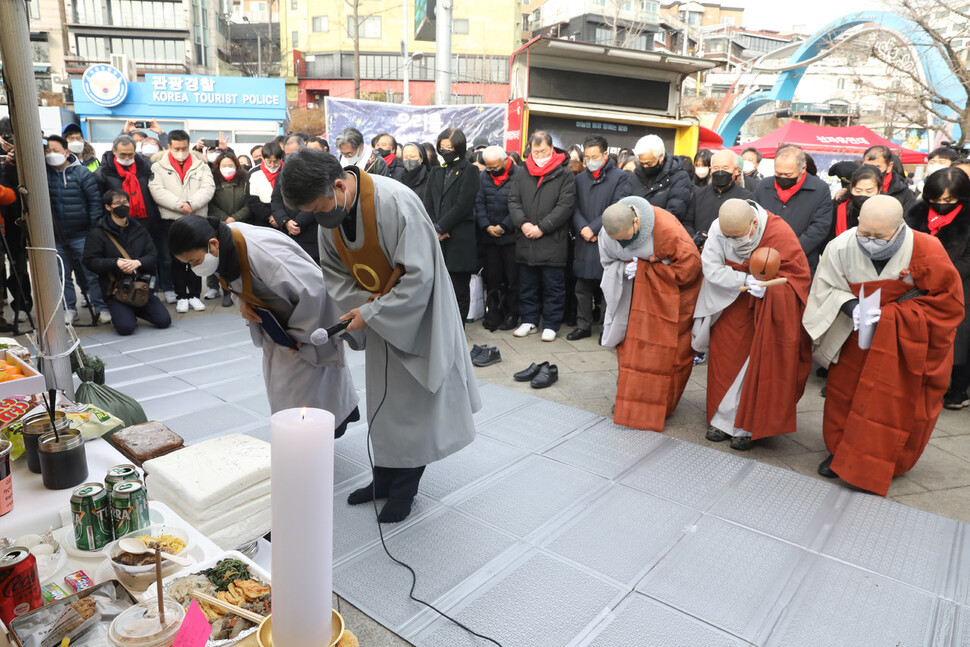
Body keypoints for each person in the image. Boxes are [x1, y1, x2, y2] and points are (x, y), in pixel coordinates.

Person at [280, 148, 481, 523]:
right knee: (385, 405)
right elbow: (335, 275)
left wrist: (372, 312)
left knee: (414, 407)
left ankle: (405, 489)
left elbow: (419, 276)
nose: (319, 217)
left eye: (320, 208)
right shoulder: (331, 215)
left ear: (338, 185)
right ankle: (383, 479)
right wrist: (365, 311)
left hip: (418, 315)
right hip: (379, 319)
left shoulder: (395, 201)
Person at [803, 196, 964, 494]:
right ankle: (840, 451)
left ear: (899, 227)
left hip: (905, 342)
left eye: (880, 236)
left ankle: (889, 459)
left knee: (897, 400)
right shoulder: (841, 245)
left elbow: (948, 303)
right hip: (856, 335)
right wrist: (852, 306)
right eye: (865, 233)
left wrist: (894, 316)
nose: (870, 241)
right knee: (845, 395)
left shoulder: (926, 247)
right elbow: (825, 288)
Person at [169, 214, 360, 435]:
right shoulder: (225, 240)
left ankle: (313, 437)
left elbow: (315, 292)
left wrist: (300, 336)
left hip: (305, 326)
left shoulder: (266, 254)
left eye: (194, 261)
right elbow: (236, 279)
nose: (193, 268)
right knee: (285, 388)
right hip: (276, 325)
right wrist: (243, 303)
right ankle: (303, 437)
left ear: (212, 244)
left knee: (304, 391)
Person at [692, 199, 813, 451]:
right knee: (725, 364)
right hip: (730, 303)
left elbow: (798, 277)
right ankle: (721, 420)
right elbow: (711, 268)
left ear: (754, 223)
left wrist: (770, 289)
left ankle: (747, 427)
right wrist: (744, 278)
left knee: (757, 365)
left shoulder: (779, 232)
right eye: (729, 237)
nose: (734, 241)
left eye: (738, 236)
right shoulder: (717, 229)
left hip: (767, 309)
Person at [599, 196, 702, 431]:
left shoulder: (665, 226)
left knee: (668, 354)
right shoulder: (607, 233)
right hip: (631, 295)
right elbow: (607, 264)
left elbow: (690, 268)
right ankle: (628, 399)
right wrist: (624, 268)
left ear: (636, 222)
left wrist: (649, 269)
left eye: (627, 238)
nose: (624, 244)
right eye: (618, 241)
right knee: (630, 350)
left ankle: (662, 405)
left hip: (667, 297)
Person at [904, 167, 970, 409]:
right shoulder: (916, 212)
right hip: (916, 283)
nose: (942, 204)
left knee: (959, 341)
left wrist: (942, 273)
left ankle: (959, 389)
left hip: (959, 285)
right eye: (937, 199)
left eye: (949, 200)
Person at [508, 131, 577, 341]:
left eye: (544, 151)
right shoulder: (522, 172)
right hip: (526, 239)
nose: (539, 155)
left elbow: (565, 206)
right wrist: (524, 224)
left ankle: (551, 324)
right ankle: (529, 321)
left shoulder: (564, 173)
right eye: (536, 151)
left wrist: (542, 227)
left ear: (552, 149)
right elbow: (513, 200)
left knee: (553, 286)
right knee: (527, 284)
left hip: (552, 240)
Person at [83, 190, 171, 335]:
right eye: (117, 203)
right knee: (126, 328)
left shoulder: (138, 228)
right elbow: (89, 261)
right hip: (116, 290)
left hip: (140, 287)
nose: (122, 206)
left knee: (164, 321)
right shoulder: (98, 233)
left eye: (125, 202)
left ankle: (135, 308)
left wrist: (138, 262)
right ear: (108, 207)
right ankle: (125, 312)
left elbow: (153, 254)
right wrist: (115, 263)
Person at [568, 135, 630, 340]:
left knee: (607, 289)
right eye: (587, 157)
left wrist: (595, 229)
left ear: (605, 155)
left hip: (607, 238)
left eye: (594, 156)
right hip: (584, 239)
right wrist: (583, 228)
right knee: (582, 287)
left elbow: (616, 206)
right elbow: (573, 207)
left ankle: (606, 327)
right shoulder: (579, 179)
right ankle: (583, 325)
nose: (590, 161)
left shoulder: (619, 177)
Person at [45, 134, 110, 325]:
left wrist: (92, 231)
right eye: (47, 151)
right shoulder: (43, 174)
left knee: (91, 273)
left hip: (82, 234)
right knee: (62, 275)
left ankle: (100, 307)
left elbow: (94, 204)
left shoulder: (82, 173)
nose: (51, 154)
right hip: (56, 236)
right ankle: (69, 309)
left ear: (66, 152)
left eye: (55, 150)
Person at [148, 129, 215, 313]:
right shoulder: (158, 166)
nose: (181, 151)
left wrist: (192, 204)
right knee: (176, 260)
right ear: (169, 146)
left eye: (184, 147)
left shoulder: (201, 164)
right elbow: (157, 191)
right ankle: (181, 296)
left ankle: (194, 294)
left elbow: (208, 187)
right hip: (172, 219)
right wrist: (180, 205)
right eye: (177, 148)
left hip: (196, 218)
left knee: (196, 258)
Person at [423, 128, 479, 322]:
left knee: (458, 292)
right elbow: (428, 202)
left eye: (449, 147)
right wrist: (434, 228)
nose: (445, 150)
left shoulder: (470, 171)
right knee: (436, 291)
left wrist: (441, 228)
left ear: (459, 147)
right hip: (437, 239)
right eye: (442, 147)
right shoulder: (436, 171)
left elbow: (463, 205)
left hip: (458, 239)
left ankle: (458, 332)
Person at [753, 145, 833, 272]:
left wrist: (790, 250)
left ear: (803, 169)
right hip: (765, 260)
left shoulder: (820, 189)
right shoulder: (764, 186)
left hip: (801, 262)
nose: (783, 177)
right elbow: (754, 220)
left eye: (789, 174)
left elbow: (819, 227)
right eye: (778, 173)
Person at [476, 145, 520, 331]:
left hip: (511, 237)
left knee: (513, 279)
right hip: (490, 237)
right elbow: (479, 202)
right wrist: (486, 225)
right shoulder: (483, 177)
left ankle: (512, 314)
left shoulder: (519, 175)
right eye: (488, 167)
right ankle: (494, 312)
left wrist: (504, 226)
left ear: (504, 161)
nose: (492, 170)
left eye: (495, 166)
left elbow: (521, 204)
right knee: (492, 278)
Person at [206, 151, 251, 306]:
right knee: (222, 258)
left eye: (230, 165)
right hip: (219, 225)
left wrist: (235, 218)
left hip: (241, 224)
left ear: (236, 166)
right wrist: (224, 219)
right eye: (224, 165)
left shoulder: (245, 180)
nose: (227, 168)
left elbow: (249, 203)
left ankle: (242, 289)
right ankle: (226, 291)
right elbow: (209, 204)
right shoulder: (212, 181)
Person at [685, 150, 753, 248]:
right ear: (710, 170)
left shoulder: (746, 198)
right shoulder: (698, 194)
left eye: (725, 168)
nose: (720, 172)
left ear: (736, 170)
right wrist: (695, 238)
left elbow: (748, 230)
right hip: (697, 252)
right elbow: (687, 222)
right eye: (716, 168)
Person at [627, 135, 694, 234]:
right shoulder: (635, 176)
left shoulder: (678, 177)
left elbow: (675, 212)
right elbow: (623, 201)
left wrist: (644, 225)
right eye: (642, 163)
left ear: (661, 157)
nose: (645, 167)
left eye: (649, 164)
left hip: (662, 235)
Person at [273, 136, 319, 263]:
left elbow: (319, 200)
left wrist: (298, 223)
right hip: (287, 236)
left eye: (293, 154)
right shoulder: (282, 174)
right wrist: (285, 221)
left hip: (311, 236)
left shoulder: (315, 171)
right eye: (287, 154)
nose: (290, 158)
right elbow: (276, 200)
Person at [829, 165, 881, 242]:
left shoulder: (887, 210)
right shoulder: (838, 208)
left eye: (869, 191)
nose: (863, 194)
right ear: (851, 188)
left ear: (879, 190)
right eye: (858, 191)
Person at [862, 145, 917, 212]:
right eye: (866, 166)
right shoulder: (854, 185)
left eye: (877, 167)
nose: (870, 170)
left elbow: (908, 220)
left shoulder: (905, 194)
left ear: (889, 167)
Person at [246, 141, 283, 229]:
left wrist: (282, 217)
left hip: (284, 215)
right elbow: (251, 199)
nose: (273, 165)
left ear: (281, 158)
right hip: (262, 217)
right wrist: (269, 216)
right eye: (269, 162)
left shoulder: (287, 170)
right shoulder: (254, 172)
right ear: (263, 158)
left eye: (276, 162)